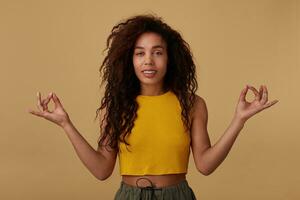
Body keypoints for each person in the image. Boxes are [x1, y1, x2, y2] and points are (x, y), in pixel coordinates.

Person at [27, 13, 279, 200]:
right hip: (129, 196)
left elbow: (205, 164)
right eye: (139, 53)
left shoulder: (192, 104)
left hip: (177, 195)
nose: (148, 60)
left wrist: (239, 120)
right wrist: (65, 124)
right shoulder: (116, 106)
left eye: (157, 52)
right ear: (129, 60)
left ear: (170, 58)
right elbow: (102, 169)